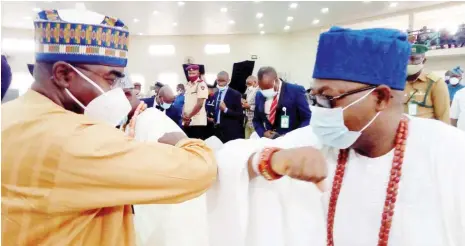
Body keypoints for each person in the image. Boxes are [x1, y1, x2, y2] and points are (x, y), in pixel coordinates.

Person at [207, 26, 465, 246]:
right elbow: (229, 161)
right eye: (314, 97)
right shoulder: (318, 141)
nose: (319, 111)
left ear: (381, 98)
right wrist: (272, 161)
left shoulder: (450, 153)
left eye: (328, 99)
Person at [1, 9, 217, 246]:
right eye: (111, 79)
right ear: (63, 74)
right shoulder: (77, 138)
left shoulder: (8, 115)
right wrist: (182, 141)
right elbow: (198, 171)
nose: (116, 92)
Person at [253, 66, 311, 138]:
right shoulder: (259, 95)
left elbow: (307, 118)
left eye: (269, 88)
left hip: (291, 142)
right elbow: (256, 120)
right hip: (269, 142)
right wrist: (263, 133)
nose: (266, 91)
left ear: (276, 80)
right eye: (262, 88)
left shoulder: (295, 91)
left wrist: (294, 136)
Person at [403, 44, 450, 124]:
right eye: (405, 59)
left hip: (426, 133)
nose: (409, 63)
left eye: (414, 59)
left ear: (424, 60)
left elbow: (443, 118)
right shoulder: (396, 82)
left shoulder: (435, 83)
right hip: (400, 133)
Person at [212, 71, 244, 143]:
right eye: (218, 81)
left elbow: (240, 115)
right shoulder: (216, 94)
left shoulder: (235, 94)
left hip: (230, 130)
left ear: (228, 81)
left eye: (223, 81)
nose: (220, 83)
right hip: (217, 129)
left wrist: (226, 110)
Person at [182, 64, 209, 139]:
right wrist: (183, 115)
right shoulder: (187, 85)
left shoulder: (201, 85)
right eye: (189, 73)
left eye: (193, 73)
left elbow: (200, 104)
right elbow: (186, 102)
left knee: (196, 146)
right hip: (187, 122)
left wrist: (189, 116)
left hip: (197, 122)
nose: (191, 75)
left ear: (198, 73)